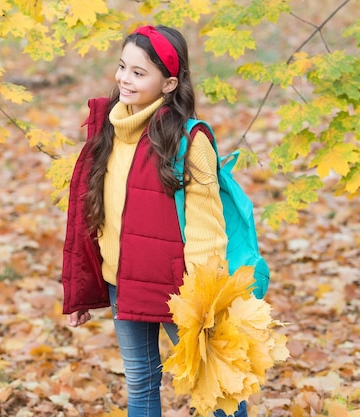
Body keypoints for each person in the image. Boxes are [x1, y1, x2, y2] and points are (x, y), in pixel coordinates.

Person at [61, 25, 249, 417]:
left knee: (214, 384)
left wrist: (204, 305)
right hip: (121, 282)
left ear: (169, 83)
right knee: (141, 381)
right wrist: (82, 289)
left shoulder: (188, 141)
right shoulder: (108, 130)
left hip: (180, 291)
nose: (124, 79)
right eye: (122, 67)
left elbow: (205, 231)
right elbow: (95, 217)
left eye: (139, 72)